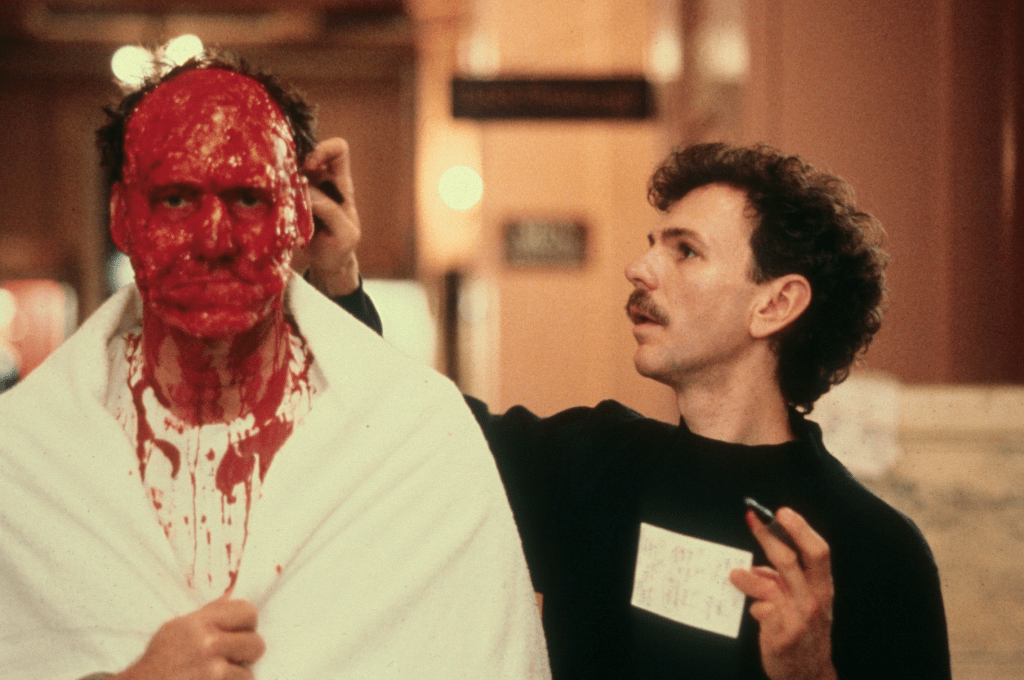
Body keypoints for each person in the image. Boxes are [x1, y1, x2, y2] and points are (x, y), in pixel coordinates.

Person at [309, 141, 951, 680]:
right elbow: (416, 427)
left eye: (685, 250)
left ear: (775, 305)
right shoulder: (592, 466)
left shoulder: (877, 553)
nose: (638, 268)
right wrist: (338, 274)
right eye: (652, 244)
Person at [0, 54, 548, 680]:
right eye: (175, 198)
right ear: (123, 216)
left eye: (248, 198)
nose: (214, 238)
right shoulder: (23, 453)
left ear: (298, 215)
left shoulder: (417, 434)